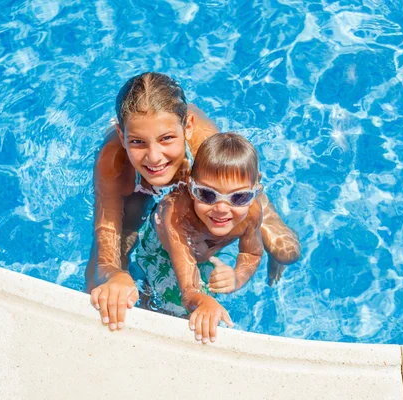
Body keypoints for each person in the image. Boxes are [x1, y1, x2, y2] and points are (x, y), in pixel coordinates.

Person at [87, 72, 300, 331]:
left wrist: (270, 246)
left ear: (187, 128)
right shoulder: (113, 163)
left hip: (209, 176)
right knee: (104, 285)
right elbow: (104, 245)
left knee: (285, 250)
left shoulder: (203, 145)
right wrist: (114, 275)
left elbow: (239, 186)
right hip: (136, 185)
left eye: (167, 139)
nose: (154, 158)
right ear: (122, 137)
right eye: (137, 142)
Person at [136, 133, 263, 343]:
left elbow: (251, 252)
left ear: (255, 191)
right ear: (190, 185)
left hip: (203, 251)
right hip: (160, 250)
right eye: (207, 194)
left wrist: (238, 277)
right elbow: (189, 289)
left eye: (239, 197)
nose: (222, 209)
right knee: (161, 310)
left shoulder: (252, 213)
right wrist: (200, 299)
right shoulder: (176, 214)